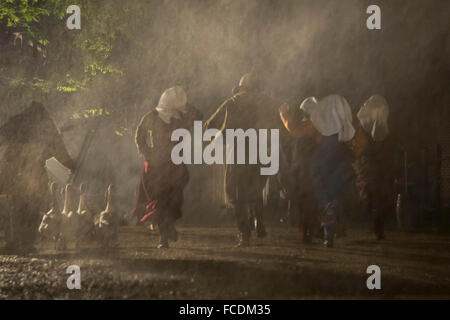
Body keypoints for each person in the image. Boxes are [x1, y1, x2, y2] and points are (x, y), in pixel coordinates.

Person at [204, 73, 287, 247]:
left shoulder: (233, 102)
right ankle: (259, 222)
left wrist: (216, 140)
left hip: (238, 153)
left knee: (236, 194)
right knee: (256, 189)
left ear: (241, 87)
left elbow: (210, 125)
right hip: (263, 152)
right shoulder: (269, 101)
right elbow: (285, 117)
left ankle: (244, 234)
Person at [280, 95, 355, 247]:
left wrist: (284, 116)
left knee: (317, 201)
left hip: (315, 170)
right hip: (334, 169)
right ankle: (329, 232)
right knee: (329, 200)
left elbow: (294, 131)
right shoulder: (336, 128)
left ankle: (321, 232)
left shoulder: (315, 123)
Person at [0, 101, 74, 253]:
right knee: (30, 207)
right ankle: (24, 242)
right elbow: (58, 149)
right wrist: (70, 164)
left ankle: (15, 241)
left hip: (16, 174)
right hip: (30, 174)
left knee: (17, 207)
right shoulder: (45, 126)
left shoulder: (16, 122)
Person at [133, 86, 202, 248]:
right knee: (161, 201)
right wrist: (147, 153)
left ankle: (166, 231)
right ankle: (164, 236)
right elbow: (139, 135)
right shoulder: (153, 116)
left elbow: (199, 116)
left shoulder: (180, 118)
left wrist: (184, 105)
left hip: (174, 165)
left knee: (170, 200)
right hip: (158, 166)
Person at [347, 95, 393, 240]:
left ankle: (376, 227)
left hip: (372, 167)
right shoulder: (368, 129)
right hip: (370, 167)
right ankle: (375, 227)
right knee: (372, 197)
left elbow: (359, 148)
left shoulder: (374, 128)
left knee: (374, 197)